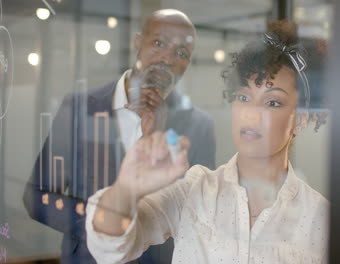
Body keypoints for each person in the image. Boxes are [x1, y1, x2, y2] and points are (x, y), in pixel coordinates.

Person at [86, 20, 328, 264]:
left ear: (300, 120)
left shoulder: (322, 219)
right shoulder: (194, 190)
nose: (251, 114)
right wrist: (127, 188)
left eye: (272, 102)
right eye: (244, 97)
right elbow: (109, 246)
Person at [22, 9, 216, 264]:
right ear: (138, 43)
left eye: (181, 53)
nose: (167, 58)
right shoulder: (79, 108)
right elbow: (36, 196)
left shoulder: (199, 125)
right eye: (158, 43)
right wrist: (104, 227)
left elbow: (199, 214)